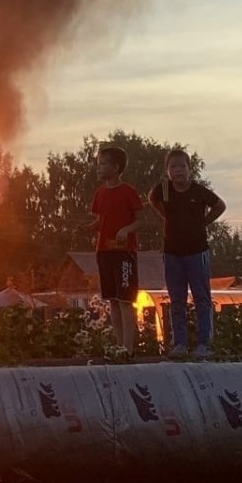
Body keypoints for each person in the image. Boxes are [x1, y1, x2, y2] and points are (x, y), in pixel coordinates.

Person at [148, 148, 226, 360]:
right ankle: (180, 343)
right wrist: (165, 216)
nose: (178, 170)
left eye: (182, 166)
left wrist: (204, 223)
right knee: (177, 299)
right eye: (173, 166)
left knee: (201, 297)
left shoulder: (199, 191)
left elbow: (220, 205)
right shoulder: (163, 189)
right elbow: (151, 199)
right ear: (167, 170)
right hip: (172, 252)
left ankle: (204, 343)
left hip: (196, 251)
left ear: (189, 169)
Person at [87, 146, 144, 356]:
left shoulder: (128, 192)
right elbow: (101, 220)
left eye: (102, 164)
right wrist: (90, 227)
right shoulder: (99, 193)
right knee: (112, 299)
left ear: (116, 167)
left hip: (124, 253)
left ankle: (128, 349)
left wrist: (126, 230)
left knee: (125, 300)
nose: (98, 168)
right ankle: (119, 346)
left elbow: (140, 220)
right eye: (98, 164)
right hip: (103, 252)